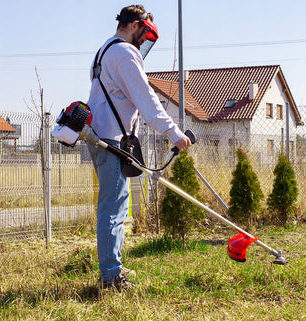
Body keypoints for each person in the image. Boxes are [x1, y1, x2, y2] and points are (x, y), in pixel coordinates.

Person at [87, 4, 192, 291]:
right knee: (112, 209)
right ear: (134, 25)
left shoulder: (105, 50)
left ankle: (114, 266)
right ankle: (110, 277)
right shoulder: (124, 53)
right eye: (144, 36)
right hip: (111, 141)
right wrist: (174, 133)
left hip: (106, 138)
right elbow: (147, 100)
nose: (144, 42)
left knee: (118, 207)